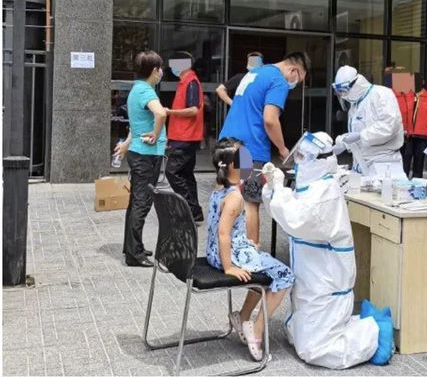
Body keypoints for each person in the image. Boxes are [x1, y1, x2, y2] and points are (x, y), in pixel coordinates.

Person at [261, 132, 386, 369]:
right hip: (311, 276)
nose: (298, 161)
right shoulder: (310, 186)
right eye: (297, 155)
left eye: (302, 156)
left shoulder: (325, 191)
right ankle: (361, 324)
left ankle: (376, 330)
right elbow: (283, 212)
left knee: (316, 351)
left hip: (327, 280)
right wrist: (272, 189)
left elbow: (297, 219)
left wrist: (280, 190)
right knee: (298, 335)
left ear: (320, 159)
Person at [208, 139, 294, 361]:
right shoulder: (235, 197)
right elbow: (223, 233)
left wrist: (246, 244)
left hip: (218, 252)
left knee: (263, 266)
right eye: (241, 156)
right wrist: (229, 267)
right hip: (227, 256)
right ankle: (256, 328)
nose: (247, 158)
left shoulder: (220, 188)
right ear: (230, 166)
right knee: (285, 275)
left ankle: (242, 316)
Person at [219, 51, 310, 245]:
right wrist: (283, 149)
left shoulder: (257, 72)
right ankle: (250, 256)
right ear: (293, 70)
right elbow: (270, 120)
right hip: (248, 148)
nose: (295, 85)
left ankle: (223, 249)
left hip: (226, 143)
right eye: (298, 79)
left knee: (226, 196)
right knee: (250, 203)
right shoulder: (278, 81)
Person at [114, 51, 167, 268]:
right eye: (160, 68)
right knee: (141, 204)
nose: (162, 72)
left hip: (139, 152)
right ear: (154, 70)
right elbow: (161, 114)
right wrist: (156, 133)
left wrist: (127, 143)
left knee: (135, 202)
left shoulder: (137, 89)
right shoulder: (147, 91)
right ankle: (135, 255)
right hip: (146, 155)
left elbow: (136, 124)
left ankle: (132, 247)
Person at [332, 65, 404, 176]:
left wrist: (360, 135)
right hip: (361, 164)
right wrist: (345, 144)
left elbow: (389, 126)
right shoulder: (355, 105)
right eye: (339, 91)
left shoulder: (381, 94)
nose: (343, 95)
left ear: (355, 84)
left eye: (344, 90)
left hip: (384, 165)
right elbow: (357, 135)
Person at [164, 51, 204, 223]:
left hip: (186, 137)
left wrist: (170, 112)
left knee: (172, 172)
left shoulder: (191, 83)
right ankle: (195, 212)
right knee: (186, 174)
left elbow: (193, 109)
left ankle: (187, 209)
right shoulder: (184, 83)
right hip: (181, 136)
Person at [395, 76, 427, 178]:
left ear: (423, 81)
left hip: (422, 134)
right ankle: (402, 183)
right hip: (408, 135)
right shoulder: (407, 95)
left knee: (419, 162)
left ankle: (417, 185)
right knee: (405, 160)